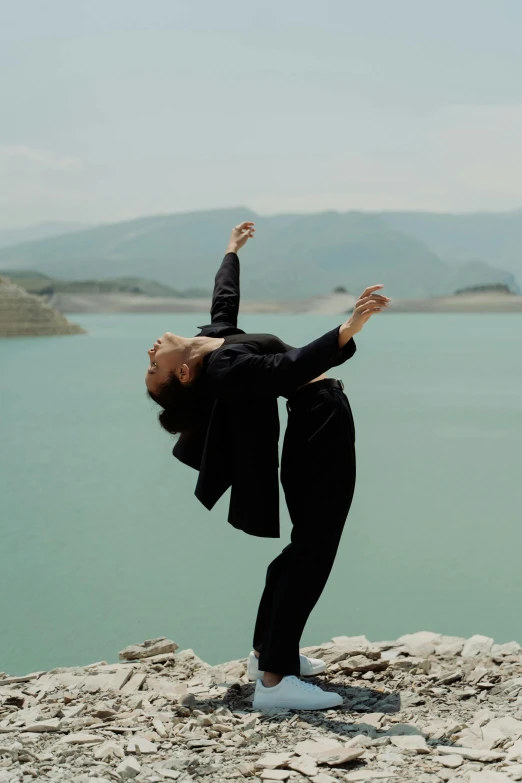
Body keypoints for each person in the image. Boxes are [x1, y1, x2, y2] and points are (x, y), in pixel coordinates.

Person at [146, 221, 389, 710]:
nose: (150, 354)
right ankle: (275, 684)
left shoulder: (214, 343)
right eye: (155, 368)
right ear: (184, 372)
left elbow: (223, 300)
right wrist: (347, 330)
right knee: (314, 550)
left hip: (316, 420)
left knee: (306, 547)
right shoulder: (225, 368)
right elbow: (287, 366)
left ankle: (267, 656)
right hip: (319, 425)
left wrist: (231, 250)